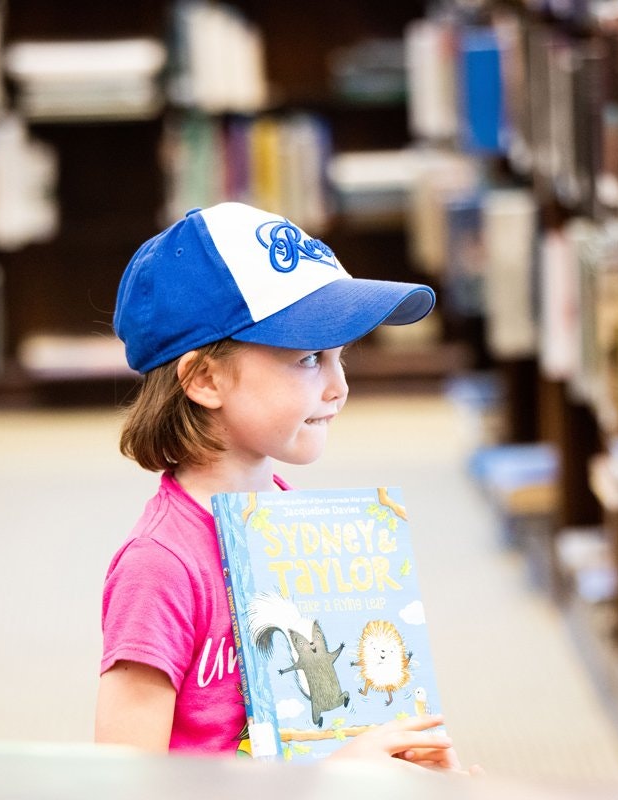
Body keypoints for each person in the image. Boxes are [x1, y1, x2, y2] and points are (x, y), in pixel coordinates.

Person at [96, 202, 470, 773]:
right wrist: (331, 778)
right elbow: (119, 783)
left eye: (343, 358)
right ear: (205, 379)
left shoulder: (299, 528)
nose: (339, 388)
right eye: (310, 359)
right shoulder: (160, 565)